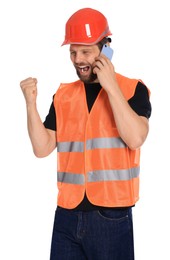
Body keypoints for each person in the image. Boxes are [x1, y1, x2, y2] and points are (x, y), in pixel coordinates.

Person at [20, 7, 151, 260]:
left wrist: (110, 85)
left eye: (86, 52)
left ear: (106, 49)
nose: (78, 59)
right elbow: (42, 148)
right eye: (73, 52)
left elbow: (136, 137)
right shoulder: (64, 95)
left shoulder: (133, 89)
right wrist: (30, 104)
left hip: (111, 216)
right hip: (67, 214)